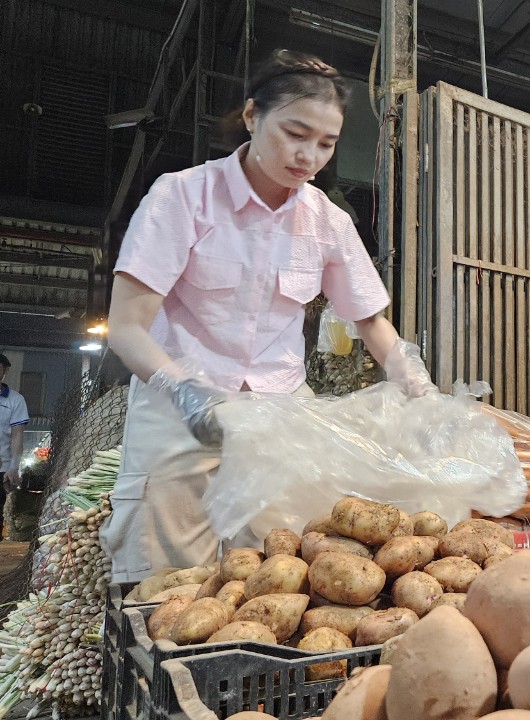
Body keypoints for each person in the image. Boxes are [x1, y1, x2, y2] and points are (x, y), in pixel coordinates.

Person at [100, 49, 432, 583]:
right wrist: (185, 388)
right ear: (253, 117)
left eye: (326, 144)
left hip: (279, 418)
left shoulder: (327, 221)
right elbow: (127, 327)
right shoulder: (184, 197)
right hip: (180, 409)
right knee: (165, 577)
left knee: (280, 568)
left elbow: (370, 321)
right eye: (295, 134)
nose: (309, 157)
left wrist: (409, 375)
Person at [0, 354, 29, 512]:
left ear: (5, 370)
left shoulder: (15, 400)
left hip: (2, 467)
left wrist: (13, 467)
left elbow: (17, 435)